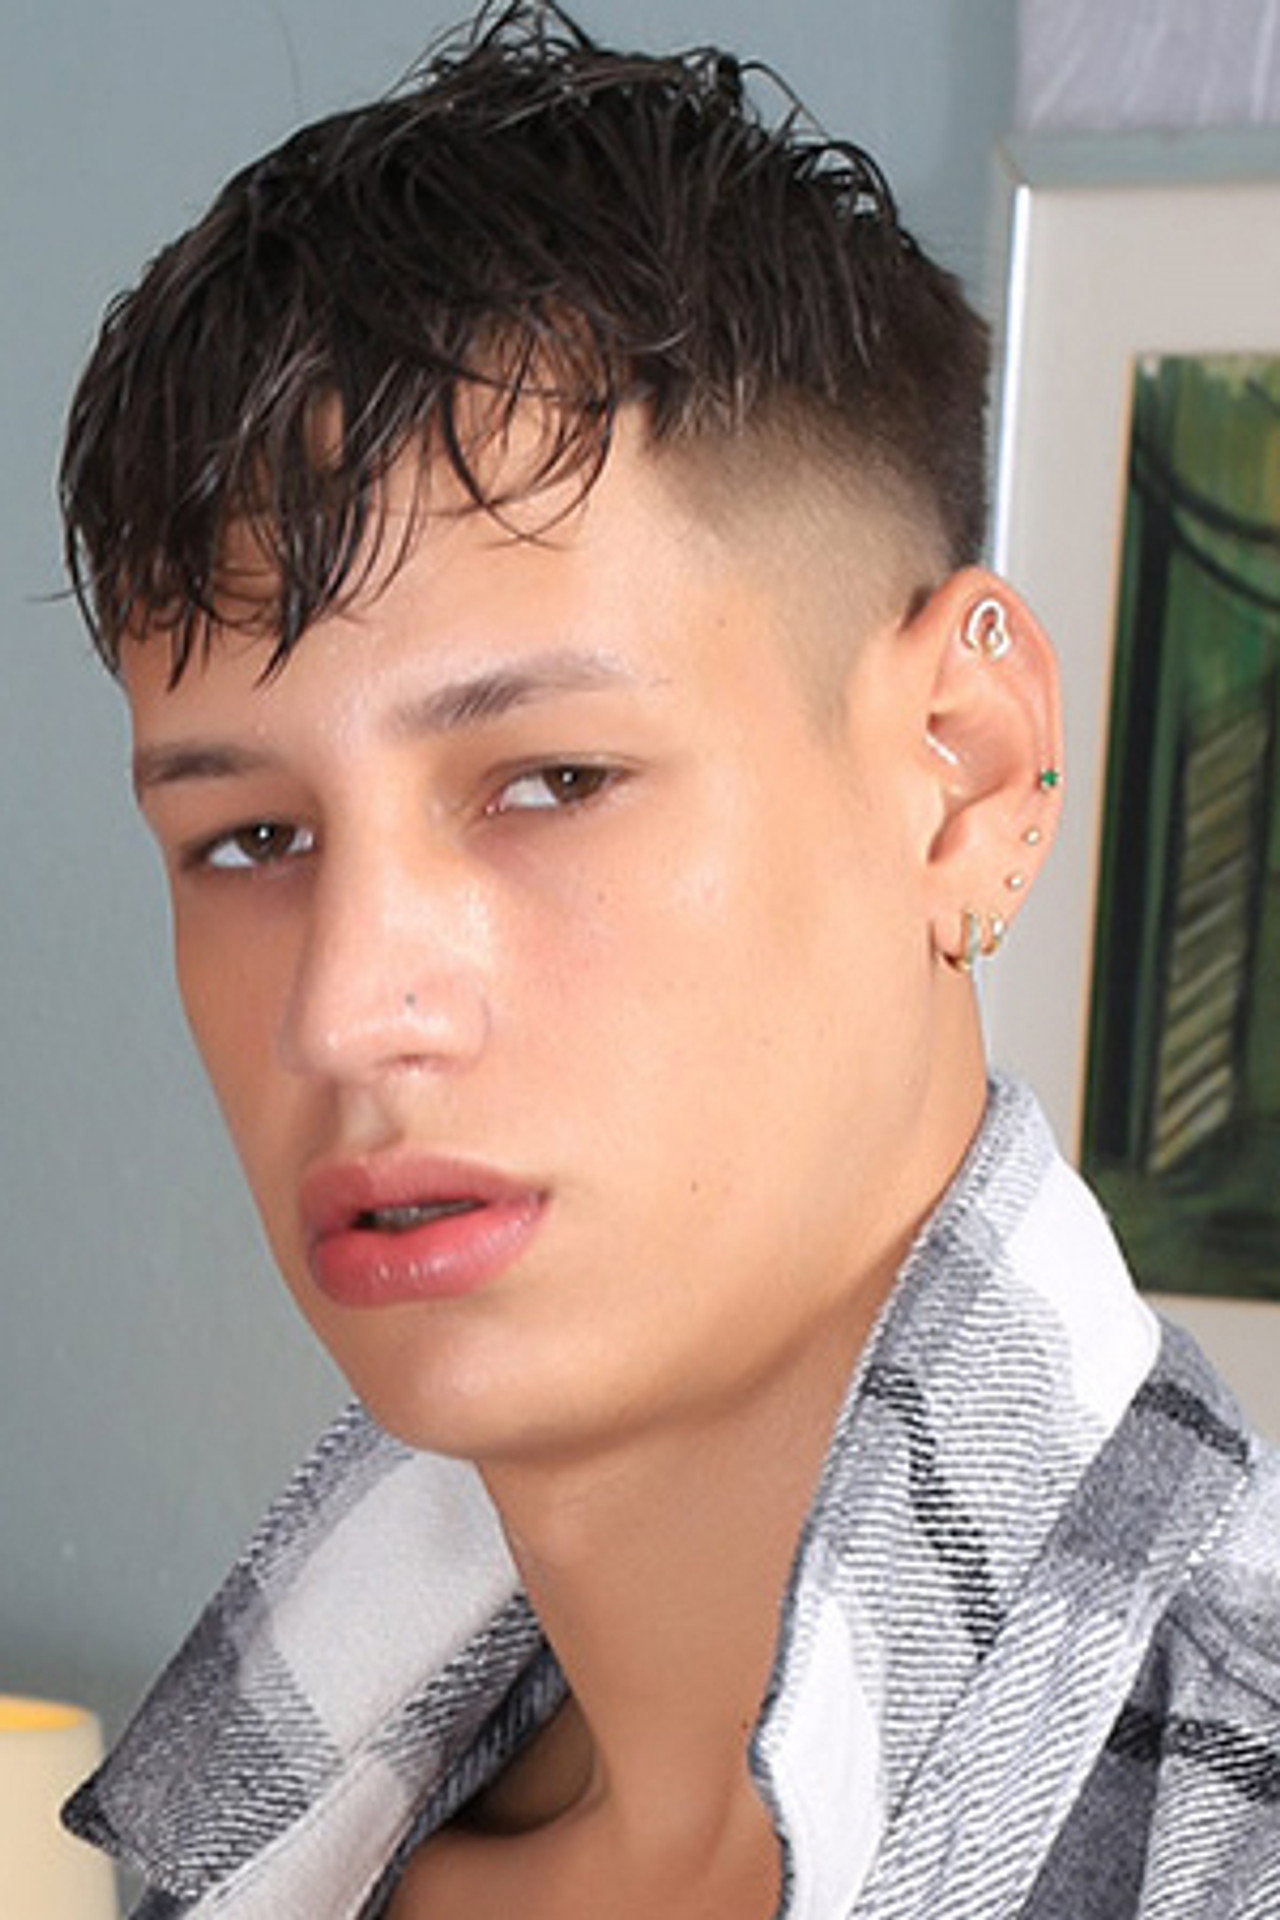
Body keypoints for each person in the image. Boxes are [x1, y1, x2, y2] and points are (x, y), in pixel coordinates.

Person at [57, 4, 1280, 1915]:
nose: (347, 1008)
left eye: (553, 781)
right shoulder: (251, 1845)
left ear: (962, 778)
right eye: (252, 840)